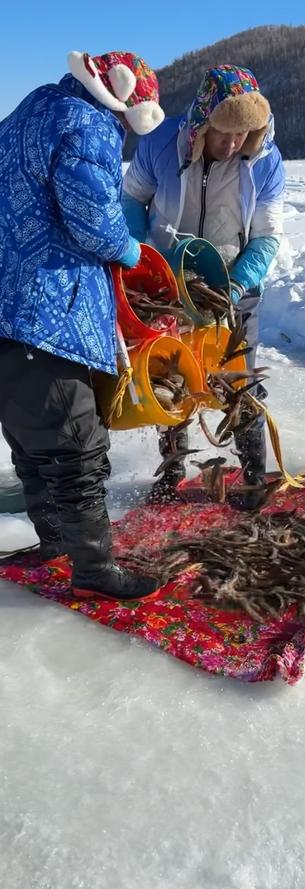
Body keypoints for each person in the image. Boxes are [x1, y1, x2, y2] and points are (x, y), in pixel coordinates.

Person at [0, 50, 165, 600]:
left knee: (30, 437)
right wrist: (130, 251)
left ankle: (54, 541)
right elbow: (94, 222)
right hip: (48, 311)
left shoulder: (32, 108)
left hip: (6, 307)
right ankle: (94, 570)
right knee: (76, 447)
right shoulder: (85, 123)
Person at [122, 65, 285, 508]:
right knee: (170, 377)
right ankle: (172, 472)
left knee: (238, 380)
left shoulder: (266, 161)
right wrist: (140, 259)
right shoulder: (160, 143)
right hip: (167, 283)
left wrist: (235, 286)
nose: (231, 144)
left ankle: (253, 478)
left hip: (232, 281)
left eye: (242, 135)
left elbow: (267, 236)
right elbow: (132, 198)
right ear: (201, 122)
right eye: (223, 133)